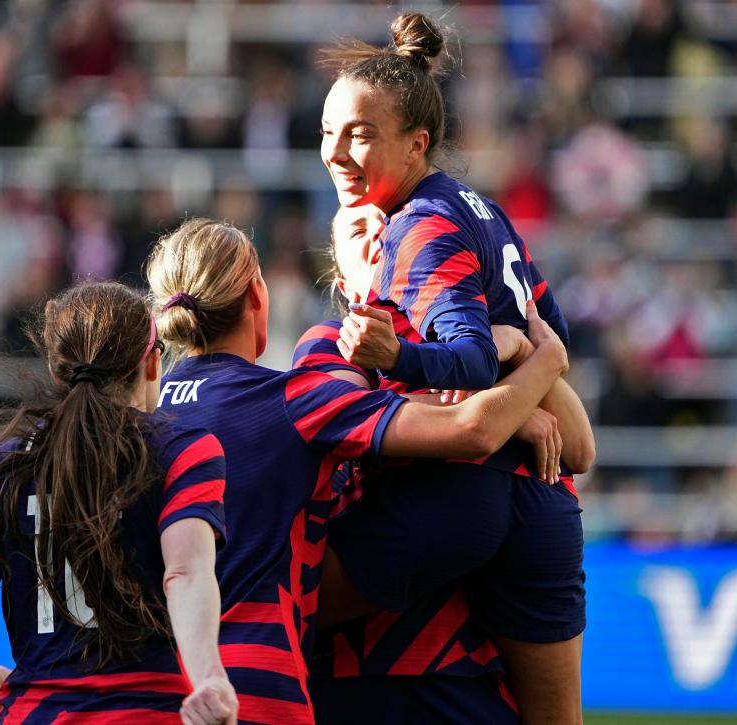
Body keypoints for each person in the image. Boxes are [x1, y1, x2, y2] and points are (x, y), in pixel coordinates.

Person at [146, 217, 568, 725]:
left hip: (151, 683)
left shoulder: (130, 421)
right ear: (257, 294)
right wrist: (540, 358)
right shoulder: (290, 400)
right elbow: (474, 431)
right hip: (257, 681)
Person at [319, 13, 590, 723]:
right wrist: (525, 365)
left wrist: (399, 354)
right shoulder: (483, 211)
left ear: (416, 143)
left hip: (455, 491)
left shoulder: (421, 226)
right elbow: (549, 341)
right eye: (328, 133)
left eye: (359, 133)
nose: (338, 152)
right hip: (545, 500)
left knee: (272, 605)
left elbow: (468, 355)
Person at [0, 282, 238, 725]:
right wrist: (211, 678)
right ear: (151, 363)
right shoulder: (184, 449)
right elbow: (185, 574)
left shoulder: (1, 464)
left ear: (57, 373)